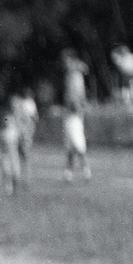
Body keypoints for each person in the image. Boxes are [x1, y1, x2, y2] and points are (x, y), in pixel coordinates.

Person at [61, 50, 92, 181]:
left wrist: (77, 109)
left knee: (78, 145)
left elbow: (77, 98)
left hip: (74, 115)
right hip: (69, 114)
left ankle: (86, 170)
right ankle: (68, 172)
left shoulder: (75, 76)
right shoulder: (70, 75)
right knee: (69, 145)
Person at [10, 88, 39, 181]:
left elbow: (33, 119)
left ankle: (26, 177)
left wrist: (28, 132)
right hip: (20, 133)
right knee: (19, 156)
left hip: (24, 133)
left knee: (24, 155)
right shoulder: (20, 108)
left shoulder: (25, 106)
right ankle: (21, 176)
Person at [0, 105, 24, 196]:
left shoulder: (15, 131)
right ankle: (8, 190)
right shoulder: (0, 131)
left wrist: (22, 152)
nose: (7, 122)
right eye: (5, 120)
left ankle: (15, 191)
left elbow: (20, 143)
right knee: (7, 172)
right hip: (5, 154)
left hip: (14, 154)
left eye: (9, 120)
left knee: (16, 174)